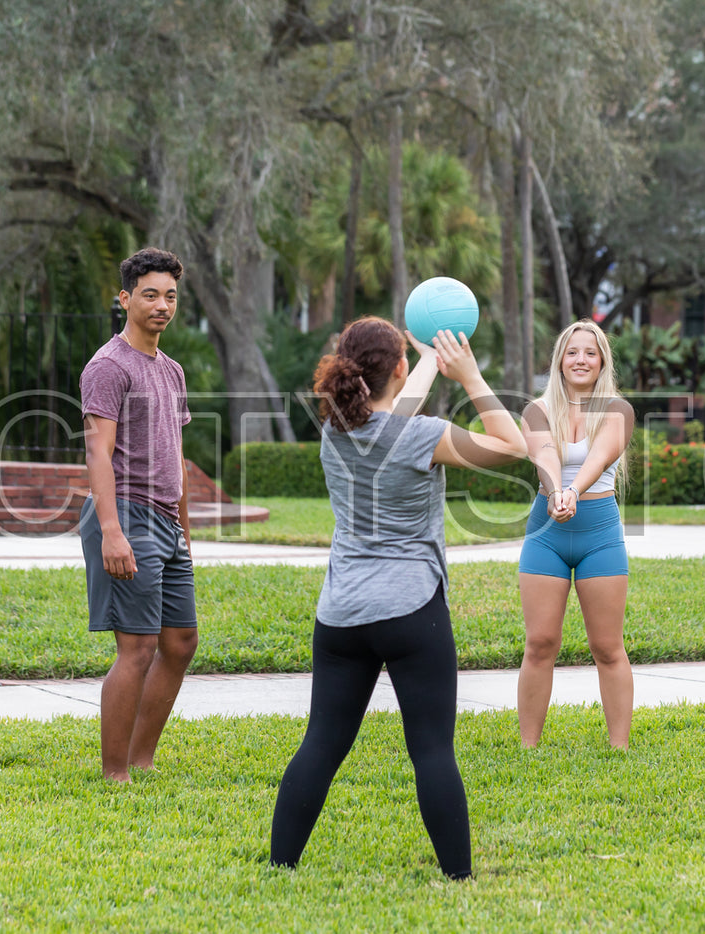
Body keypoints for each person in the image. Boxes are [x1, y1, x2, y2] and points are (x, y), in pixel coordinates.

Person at [270, 317, 526, 880]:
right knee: (432, 750)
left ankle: (279, 865)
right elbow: (514, 446)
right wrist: (471, 376)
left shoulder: (334, 430)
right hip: (412, 610)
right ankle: (458, 876)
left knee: (321, 744)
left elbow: (388, 414)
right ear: (399, 370)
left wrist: (431, 359)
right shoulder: (421, 436)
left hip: (340, 616)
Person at [79, 247, 198, 783]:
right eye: (150, 294)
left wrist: (186, 530)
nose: (162, 305)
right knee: (137, 646)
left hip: (167, 523)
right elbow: (97, 453)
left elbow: (175, 454)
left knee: (179, 642)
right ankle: (114, 773)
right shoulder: (108, 366)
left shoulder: (171, 371)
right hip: (126, 514)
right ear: (125, 298)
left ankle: (141, 758)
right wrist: (110, 531)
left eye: (170, 295)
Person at [517, 321, 635, 749]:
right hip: (546, 531)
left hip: (599, 531)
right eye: (572, 352)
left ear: (602, 360)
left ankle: (619, 747)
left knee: (607, 646)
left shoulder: (618, 410)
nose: (581, 359)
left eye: (590, 352)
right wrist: (554, 491)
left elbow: (601, 455)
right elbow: (544, 453)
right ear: (560, 361)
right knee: (540, 642)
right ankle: (529, 746)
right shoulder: (537, 409)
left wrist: (571, 492)